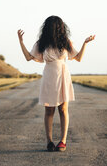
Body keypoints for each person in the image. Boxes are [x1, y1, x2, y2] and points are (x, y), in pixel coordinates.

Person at [17, 15, 95, 152]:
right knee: (49, 110)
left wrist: (85, 44)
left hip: (63, 77)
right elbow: (29, 57)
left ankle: (63, 141)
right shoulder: (41, 43)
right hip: (49, 77)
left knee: (63, 109)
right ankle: (49, 142)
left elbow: (78, 58)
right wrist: (21, 41)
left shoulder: (66, 42)